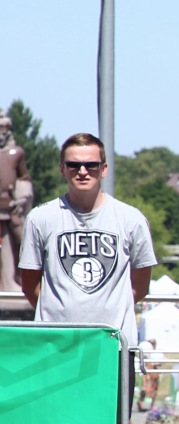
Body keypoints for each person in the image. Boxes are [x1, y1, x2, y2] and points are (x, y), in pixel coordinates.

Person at [19, 133, 155, 350]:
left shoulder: (131, 219)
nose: (82, 172)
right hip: (55, 345)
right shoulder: (40, 218)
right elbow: (29, 284)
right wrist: (59, 314)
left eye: (91, 165)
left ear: (104, 169)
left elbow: (141, 285)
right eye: (74, 165)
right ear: (62, 169)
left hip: (113, 346)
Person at [0, 114, 31, 294]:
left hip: (10, 206)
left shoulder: (16, 153)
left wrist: (23, 197)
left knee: (23, 240)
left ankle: (17, 280)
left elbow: (24, 178)